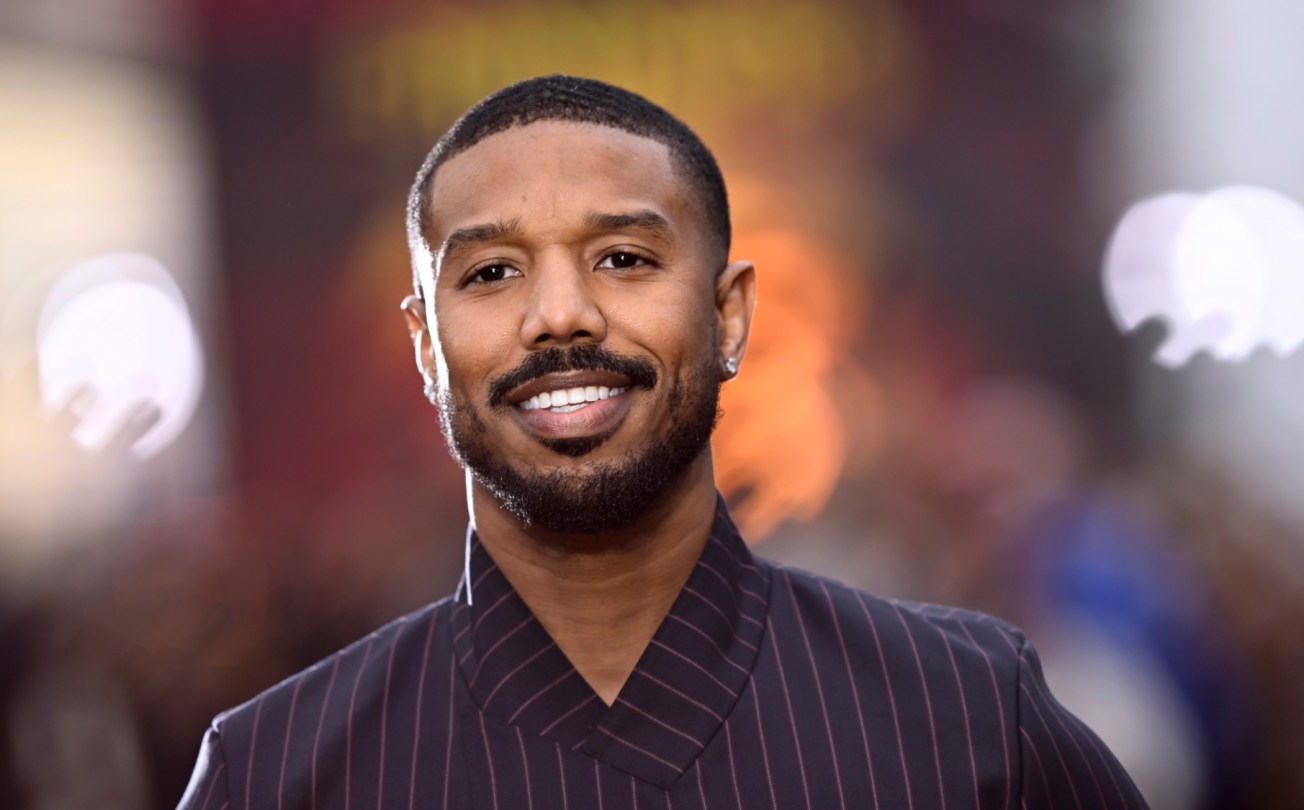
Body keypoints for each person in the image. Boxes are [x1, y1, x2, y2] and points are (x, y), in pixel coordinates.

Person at [177, 74, 1147, 809]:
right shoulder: (277, 772)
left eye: (624, 258)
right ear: (426, 346)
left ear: (730, 316)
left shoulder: (968, 716)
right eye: (491, 274)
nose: (560, 315)